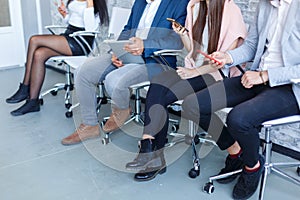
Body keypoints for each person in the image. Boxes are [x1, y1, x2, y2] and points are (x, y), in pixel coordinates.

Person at [181, 0, 300, 199]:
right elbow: (252, 46)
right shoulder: (265, 5)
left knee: (239, 119)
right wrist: (227, 56)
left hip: (289, 87)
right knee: (193, 105)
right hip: (255, 77)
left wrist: (265, 76)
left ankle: (253, 166)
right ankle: (235, 152)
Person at [125, 0, 247, 182]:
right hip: (194, 70)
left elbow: (222, 63)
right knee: (160, 82)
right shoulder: (196, 7)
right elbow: (194, 51)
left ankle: (154, 156)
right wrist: (182, 35)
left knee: (171, 97)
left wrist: (193, 72)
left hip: (215, 75)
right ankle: (148, 145)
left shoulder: (231, 11)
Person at [60, 0, 189, 145]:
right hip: (128, 52)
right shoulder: (140, 2)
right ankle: (90, 125)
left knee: (114, 80)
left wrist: (145, 45)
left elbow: (176, 41)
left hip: (155, 59)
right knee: (82, 72)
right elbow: (128, 28)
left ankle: (121, 109)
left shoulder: (178, 3)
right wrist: (117, 51)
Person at [6, 0, 109, 116]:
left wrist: (90, 3)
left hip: (81, 41)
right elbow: (73, 19)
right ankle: (33, 101)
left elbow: (90, 27)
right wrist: (65, 15)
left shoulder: (94, 3)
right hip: (69, 34)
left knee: (34, 40)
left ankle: (25, 87)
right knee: (39, 54)